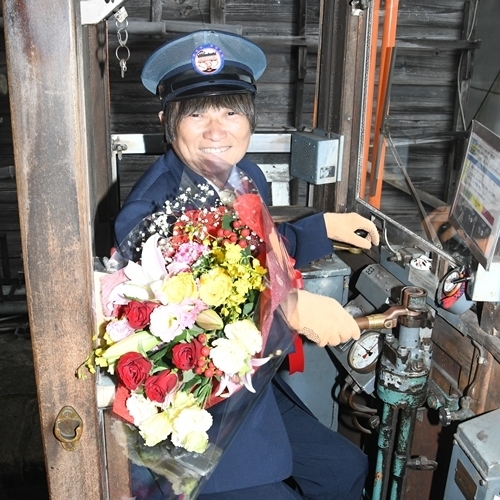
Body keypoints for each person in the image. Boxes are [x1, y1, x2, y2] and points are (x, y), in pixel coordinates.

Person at [115, 30, 379, 500]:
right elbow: (197, 295)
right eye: (196, 113)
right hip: (200, 415)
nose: (217, 130)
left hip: (255, 383)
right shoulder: (147, 213)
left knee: (344, 468)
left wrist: (322, 226)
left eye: (230, 111)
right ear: (166, 121)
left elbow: (256, 255)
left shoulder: (245, 176)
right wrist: (291, 305)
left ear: (250, 119)